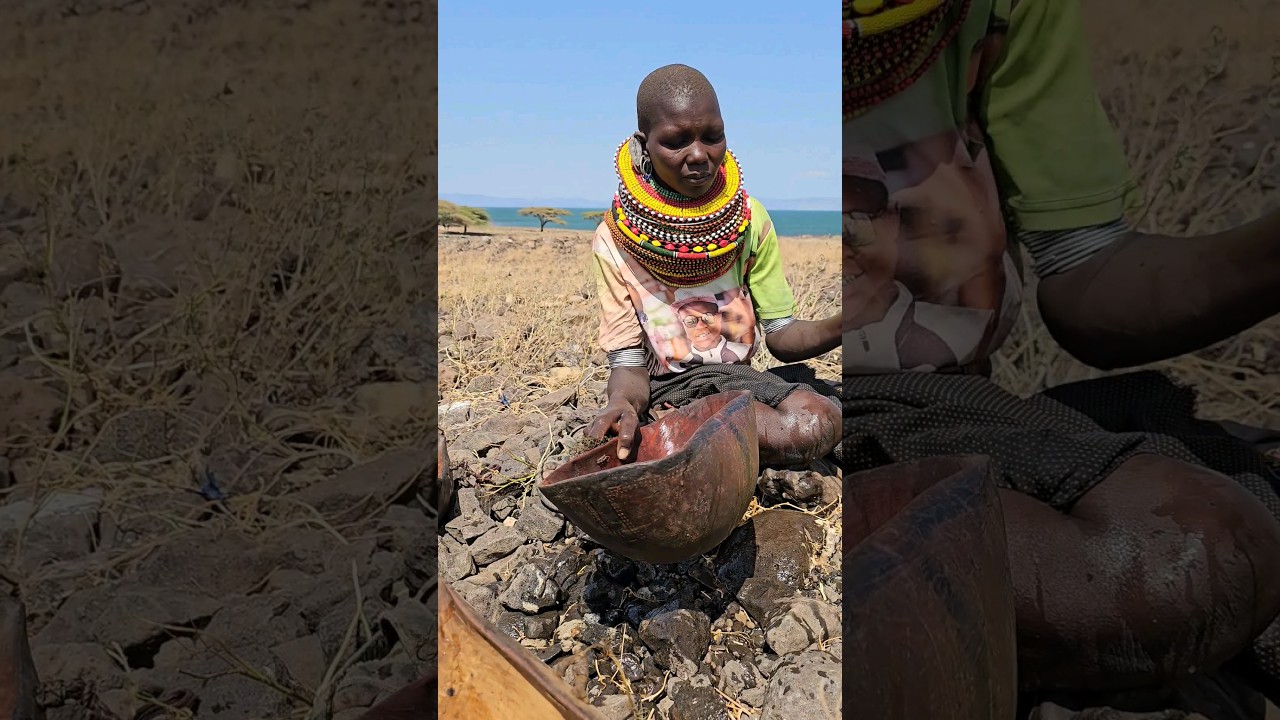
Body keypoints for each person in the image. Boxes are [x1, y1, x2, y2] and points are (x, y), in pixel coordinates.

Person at [842, 0, 1280, 708]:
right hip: (771, 410)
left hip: (941, 414)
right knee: (1190, 558)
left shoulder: (987, 11)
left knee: (1227, 527)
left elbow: (1090, 270)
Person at [586, 64, 842, 469]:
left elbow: (782, 335)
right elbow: (628, 364)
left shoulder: (749, 219)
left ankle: (708, 452)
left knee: (832, 416)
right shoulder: (614, 240)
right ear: (643, 144)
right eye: (675, 142)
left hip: (738, 380)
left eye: (713, 137)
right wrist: (622, 403)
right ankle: (679, 436)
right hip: (673, 388)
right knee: (811, 424)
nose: (700, 156)